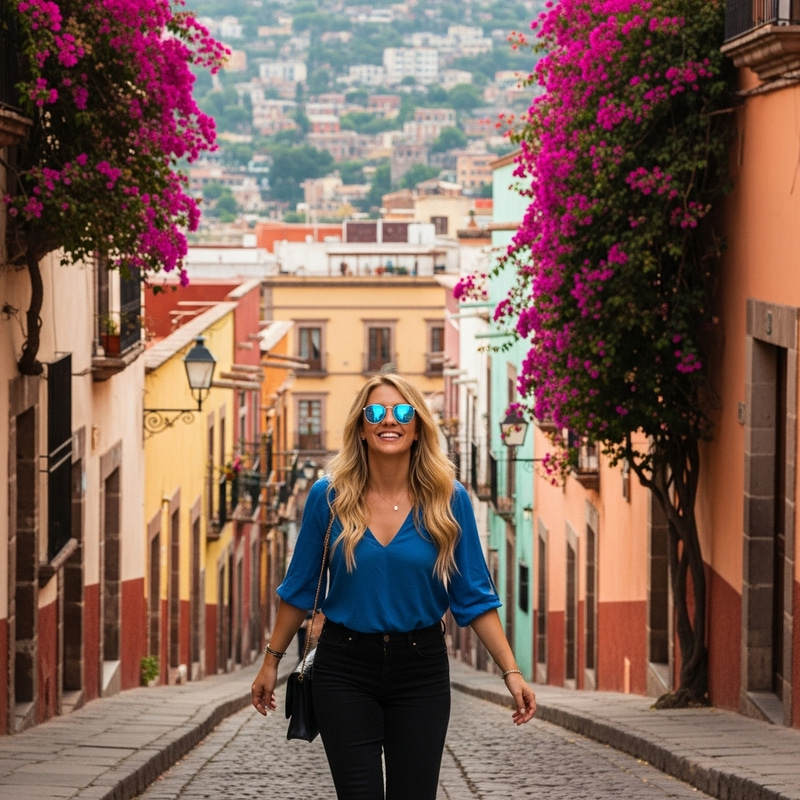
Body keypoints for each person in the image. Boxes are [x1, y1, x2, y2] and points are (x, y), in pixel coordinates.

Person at [251, 372, 537, 799]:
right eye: (376, 412)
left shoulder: (448, 499)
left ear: (418, 426)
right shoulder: (327, 497)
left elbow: (474, 595)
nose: (390, 420)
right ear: (361, 428)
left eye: (403, 411)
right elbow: (299, 587)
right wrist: (272, 661)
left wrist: (511, 672)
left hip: (420, 669)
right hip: (344, 667)